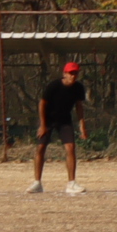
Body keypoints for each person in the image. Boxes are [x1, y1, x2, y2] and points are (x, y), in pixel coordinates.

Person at [31, 60, 87, 195]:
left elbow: (79, 107)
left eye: (75, 73)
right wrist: (43, 125)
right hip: (48, 119)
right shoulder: (54, 86)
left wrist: (82, 126)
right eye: (70, 73)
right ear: (64, 73)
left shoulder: (79, 88)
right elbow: (42, 104)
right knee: (40, 148)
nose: (73, 76)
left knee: (70, 148)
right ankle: (37, 183)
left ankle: (71, 183)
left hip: (64, 120)